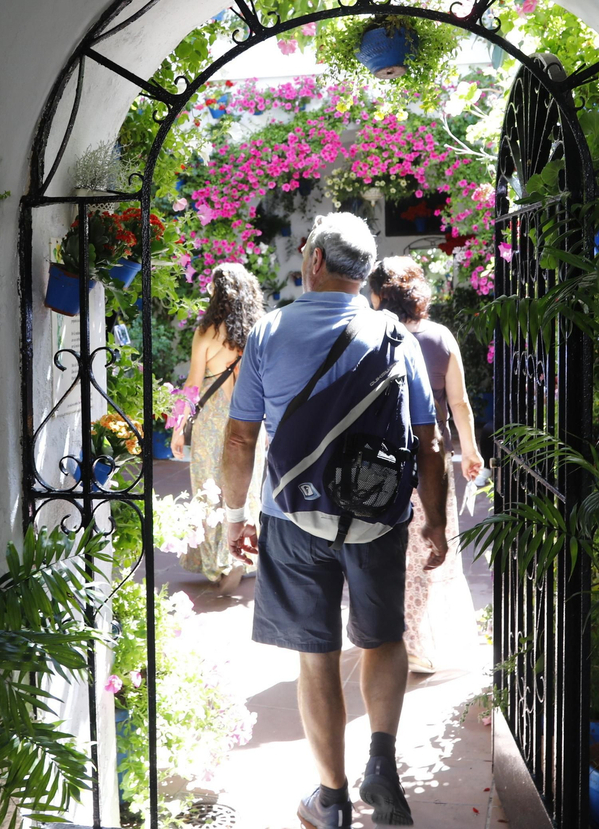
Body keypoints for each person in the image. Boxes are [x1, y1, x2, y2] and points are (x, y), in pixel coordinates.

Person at [220, 213, 448, 829]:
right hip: (378, 518)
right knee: (384, 639)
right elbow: (429, 441)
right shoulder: (397, 336)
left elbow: (240, 439)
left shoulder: (269, 332)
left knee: (315, 656)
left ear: (314, 260)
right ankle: (382, 760)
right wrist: (435, 522)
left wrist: (235, 517)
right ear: (364, 272)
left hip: (294, 519)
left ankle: (332, 800)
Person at [367, 257, 485, 673]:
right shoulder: (440, 337)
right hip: (431, 457)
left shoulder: (370, 336)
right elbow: (459, 403)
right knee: (428, 548)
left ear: (379, 296)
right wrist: (470, 450)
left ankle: (400, 637)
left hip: (381, 459)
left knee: (387, 547)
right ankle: (414, 640)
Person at [170, 262, 265, 592]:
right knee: (246, 485)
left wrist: (178, 428)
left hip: (212, 419)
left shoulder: (207, 331)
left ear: (217, 292)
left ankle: (217, 561)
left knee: (209, 488)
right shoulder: (258, 331)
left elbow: (193, 385)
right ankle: (242, 556)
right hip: (249, 418)